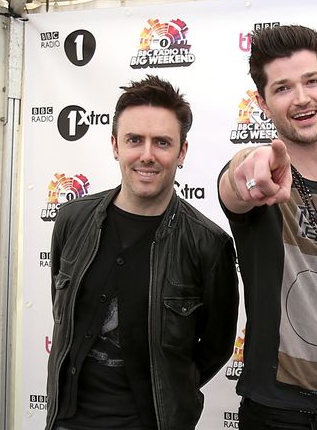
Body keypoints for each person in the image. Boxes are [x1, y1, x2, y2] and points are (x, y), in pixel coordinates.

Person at [46, 75, 239, 430]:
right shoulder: (72, 220)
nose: (147, 155)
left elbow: (215, 349)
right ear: (115, 145)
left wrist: (171, 385)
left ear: (181, 152)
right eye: (135, 140)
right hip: (68, 421)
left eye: (162, 142)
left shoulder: (209, 245)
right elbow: (63, 312)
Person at [218, 25, 317, 429]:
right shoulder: (262, 177)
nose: (302, 98)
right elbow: (237, 183)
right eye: (283, 88)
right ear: (263, 103)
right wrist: (248, 170)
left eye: (311, 81)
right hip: (276, 413)